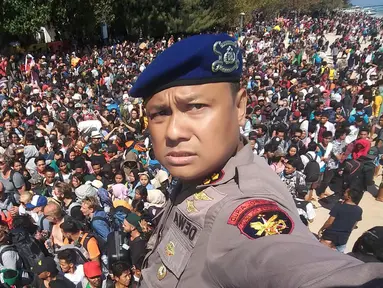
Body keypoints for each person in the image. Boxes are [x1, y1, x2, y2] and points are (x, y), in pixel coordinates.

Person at [128, 33, 383, 287]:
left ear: (239, 107)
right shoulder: (200, 171)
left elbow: (291, 263)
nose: (173, 132)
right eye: (160, 113)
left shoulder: (242, 208)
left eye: (195, 107)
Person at [318, 188, 363, 253]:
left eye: (345, 193)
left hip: (329, 236)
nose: (344, 194)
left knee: (320, 254)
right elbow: (353, 226)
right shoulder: (359, 210)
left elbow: (329, 222)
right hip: (343, 239)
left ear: (349, 197)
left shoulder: (338, 206)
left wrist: (322, 229)